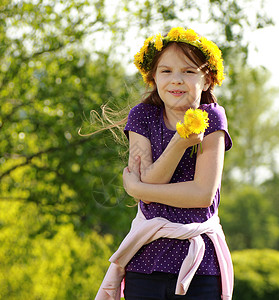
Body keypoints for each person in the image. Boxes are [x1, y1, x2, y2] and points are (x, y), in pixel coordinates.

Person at [95, 27, 233, 300]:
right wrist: (180, 142)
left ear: (206, 80)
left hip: (201, 265)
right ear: (154, 78)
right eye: (166, 71)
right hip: (146, 260)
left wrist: (139, 191)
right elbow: (151, 178)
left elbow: (202, 195)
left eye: (189, 71)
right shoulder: (142, 116)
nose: (176, 80)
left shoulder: (212, 117)